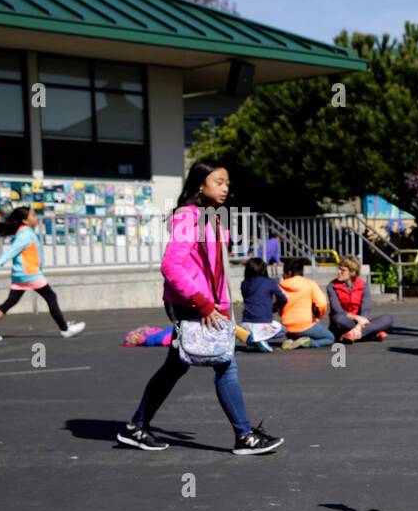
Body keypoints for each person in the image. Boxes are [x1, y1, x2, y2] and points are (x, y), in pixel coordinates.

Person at [117, 159, 283, 454]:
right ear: (200, 184)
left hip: (207, 304)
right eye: (219, 182)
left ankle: (137, 426)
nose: (225, 188)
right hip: (192, 303)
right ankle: (244, 436)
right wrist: (204, 304)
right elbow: (171, 266)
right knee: (225, 365)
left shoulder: (211, 216)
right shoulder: (188, 218)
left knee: (176, 366)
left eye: (227, 182)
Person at [0, 206, 85, 341]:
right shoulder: (25, 235)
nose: (36, 218)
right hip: (30, 274)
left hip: (21, 275)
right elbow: (9, 254)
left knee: (11, 301)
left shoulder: (24, 233)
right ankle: (65, 329)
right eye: (33, 215)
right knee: (51, 297)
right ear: (25, 220)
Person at [327, 255, 394, 342]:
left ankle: (353, 334)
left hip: (360, 322)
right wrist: (356, 318)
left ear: (352, 272)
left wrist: (358, 326)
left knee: (388, 318)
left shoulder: (363, 285)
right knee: (338, 319)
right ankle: (371, 333)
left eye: (342, 270)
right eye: (339, 269)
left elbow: (365, 309)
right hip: (344, 321)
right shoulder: (332, 286)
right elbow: (337, 310)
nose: (339, 272)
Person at [279, 256, 333, 349]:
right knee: (330, 338)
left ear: (289, 273)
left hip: (287, 327)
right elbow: (322, 303)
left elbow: (277, 305)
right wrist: (318, 317)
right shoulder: (309, 284)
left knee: (297, 333)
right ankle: (309, 343)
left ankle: (291, 340)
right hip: (305, 325)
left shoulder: (280, 287)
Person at [237, 256, 287, 352]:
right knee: (283, 331)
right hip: (263, 323)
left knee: (248, 330)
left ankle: (253, 341)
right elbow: (283, 299)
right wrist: (274, 308)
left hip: (246, 324)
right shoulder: (270, 282)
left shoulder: (244, 284)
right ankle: (261, 340)